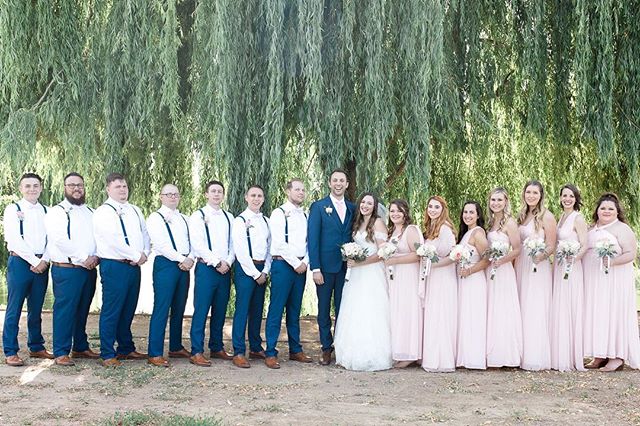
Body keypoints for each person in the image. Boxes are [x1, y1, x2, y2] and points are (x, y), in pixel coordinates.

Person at [93, 173, 150, 367]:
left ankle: (126, 348)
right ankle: (107, 353)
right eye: (118, 187)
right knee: (112, 309)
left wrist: (145, 252)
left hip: (134, 266)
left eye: (124, 186)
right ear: (108, 189)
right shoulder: (103, 212)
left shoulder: (135, 210)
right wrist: (135, 255)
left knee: (128, 308)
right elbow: (112, 240)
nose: (122, 190)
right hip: (114, 264)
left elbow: (144, 233)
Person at [45, 172, 99, 366]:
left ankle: (80, 347)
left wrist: (96, 256)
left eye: (80, 185)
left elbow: (98, 238)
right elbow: (59, 239)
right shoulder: (57, 211)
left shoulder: (91, 212)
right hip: (67, 269)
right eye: (72, 185)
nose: (77, 189)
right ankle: (60, 351)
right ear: (65, 188)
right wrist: (83, 258)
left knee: (83, 309)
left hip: (89, 269)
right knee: (65, 311)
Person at [334, 192, 392, 371]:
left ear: (375, 206)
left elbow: (383, 253)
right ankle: (352, 353)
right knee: (354, 309)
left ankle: (373, 355)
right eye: (364, 202)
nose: (365, 205)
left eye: (370, 203)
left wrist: (361, 262)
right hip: (356, 275)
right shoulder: (358, 222)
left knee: (370, 309)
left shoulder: (378, 223)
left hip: (371, 273)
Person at [583, 193, 640, 371]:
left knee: (614, 313)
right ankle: (600, 354)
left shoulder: (622, 229)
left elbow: (631, 253)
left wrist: (612, 262)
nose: (606, 211)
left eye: (610, 208)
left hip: (614, 280)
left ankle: (617, 356)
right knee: (597, 313)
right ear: (597, 210)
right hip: (594, 279)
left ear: (617, 212)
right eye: (603, 208)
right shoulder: (591, 228)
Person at [2, 173, 52, 366]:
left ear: (41, 188)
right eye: (28, 186)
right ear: (20, 188)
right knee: (14, 308)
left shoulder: (47, 211)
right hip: (20, 263)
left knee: (36, 308)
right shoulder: (13, 209)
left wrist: (44, 260)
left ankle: (36, 346)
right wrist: (34, 260)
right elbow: (14, 239)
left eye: (35, 185)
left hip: (43, 263)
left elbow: (52, 239)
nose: (32, 189)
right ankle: (11, 350)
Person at [307, 169, 355, 366]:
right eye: (335, 180)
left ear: (347, 184)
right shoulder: (319, 207)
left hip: (347, 268)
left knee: (344, 309)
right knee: (324, 309)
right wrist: (315, 268)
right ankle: (326, 348)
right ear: (329, 183)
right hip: (325, 268)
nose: (338, 183)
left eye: (342, 180)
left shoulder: (353, 208)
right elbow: (313, 239)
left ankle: (342, 346)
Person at [264, 179, 313, 369]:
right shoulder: (278, 213)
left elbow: (310, 243)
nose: (301, 192)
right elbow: (278, 243)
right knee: (276, 309)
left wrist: (305, 262)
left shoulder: (306, 215)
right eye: (297, 189)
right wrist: (295, 263)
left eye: (303, 189)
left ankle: (295, 349)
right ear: (288, 191)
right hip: (283, 265)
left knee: (294, 309)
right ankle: (270, 351)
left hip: (301, 266)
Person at [146, 184, 194, 367]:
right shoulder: (155, 218)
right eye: (169, 194)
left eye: (176, 194)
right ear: (161, 197)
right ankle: (155, 352)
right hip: (166, 264)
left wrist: (190, 258)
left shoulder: (185, 218)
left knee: (179, 306)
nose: (173, 197)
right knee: (162, 307)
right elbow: (161, 243)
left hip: (185, 265)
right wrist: (181, 258)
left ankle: (175, 346)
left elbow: (193, 241)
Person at [188, 180, 235, 367]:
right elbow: (198, 244)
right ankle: (196, 350)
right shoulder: (198, 216)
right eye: (213, 191)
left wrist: (228, 262)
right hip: (207, 268)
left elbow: (234, 244)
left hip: (225, 269)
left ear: (223, 195)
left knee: (220, 309)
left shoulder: (229, 217)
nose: (216, 194)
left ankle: (216, 346)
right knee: (201, 309)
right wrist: (216, 262)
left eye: (220, 191)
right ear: (206, 194)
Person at [515, 180, 556, 371]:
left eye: (535, 193)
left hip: (537, 266)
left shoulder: (547, 216)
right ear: (524, 194)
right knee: (521, 306)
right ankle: (519, 352)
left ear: (541, 195)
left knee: (535, 307)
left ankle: (535, 356)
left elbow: (551, 245)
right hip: (521, 263)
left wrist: (539, 257)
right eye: (528, 192)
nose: (531, 196)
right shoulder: (522, 215)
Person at [230, 185, 271, 368]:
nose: (256, 198)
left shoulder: (267, 221)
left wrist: (265, 270)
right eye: (253, 195)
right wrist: (255, 273)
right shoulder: (240, 220)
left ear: (263, 199)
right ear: (246, 197)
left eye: (259, 196)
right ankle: (239, 351)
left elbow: (271, 248)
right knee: (242, 309)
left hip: (262, 268)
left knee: (257, 309)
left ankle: (255, 346)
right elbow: (240, 250)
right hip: (246, 268)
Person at [550, 184, 587, 371]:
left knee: (570, 306)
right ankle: (559, 354)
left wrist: (573, 260)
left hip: (572, 268)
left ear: (576, 198)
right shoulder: (561, 218)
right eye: (564, 195)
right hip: (559, 266)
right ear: (560, 197)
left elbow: (585, 245)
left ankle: (571, 356)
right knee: (560, 307)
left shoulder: (577, 218)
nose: (567, 199)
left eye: (571, 196)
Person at [485, 187, 523, 368]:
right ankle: (491, 353)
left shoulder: (510, 223)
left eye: (499, 200)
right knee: (491, 308)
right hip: (489, 270)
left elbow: (517, 249)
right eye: (493, 200)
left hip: (503, 270)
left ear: (506, 202)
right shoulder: (489, 222)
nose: (496, 203)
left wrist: (501, 261)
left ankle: (506, 355)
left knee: (503, 309)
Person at [420, 196, 457, 372]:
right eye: (430, 207)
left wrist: (434, 265)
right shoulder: (431, 228)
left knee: (441, 314)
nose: (433, 210)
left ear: (443, 209)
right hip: (432, 276)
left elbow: (452, 256)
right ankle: (432, 355)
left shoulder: (445, 228)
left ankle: (442, 360)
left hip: (443, 276)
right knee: (433, 314)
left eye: (436, 207)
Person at [384, 199, 423, 368]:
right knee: (398, 313)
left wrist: (394, 260)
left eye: (399, 211)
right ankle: (400, 351)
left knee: (408, 312)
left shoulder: (411, 230)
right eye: (392, 211)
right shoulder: (391, 233)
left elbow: (418, 254)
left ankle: (411, 353)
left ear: (405, 212)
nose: (395, 214)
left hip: (408, 277)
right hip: (395, 279)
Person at [456, 201, 489, 370]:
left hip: (474, 281)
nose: (467, 215)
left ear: (478, 215)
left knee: (474, 317)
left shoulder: (477, 233)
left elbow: (487, 259)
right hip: (464, 282)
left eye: (471, 212)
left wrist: (469, 271)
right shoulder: (466, 233)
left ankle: (474, 358)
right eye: (465, 212)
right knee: (465, 317)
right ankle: (464, 357)